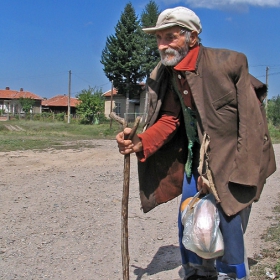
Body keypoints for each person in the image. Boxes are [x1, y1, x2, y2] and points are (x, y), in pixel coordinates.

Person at [116, 6, 276, 280]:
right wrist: (141, 142)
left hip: (233, 159)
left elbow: (251, 127)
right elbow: (169, 119)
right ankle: (198, 273)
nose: (163, 45)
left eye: (170, 37)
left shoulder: (229, 64)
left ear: (192, 37)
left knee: (228, 223)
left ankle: (232, 274)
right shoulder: (169, 73)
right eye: (159, 38)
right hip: (196, 160)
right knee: (191, 220)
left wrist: (233, 177)